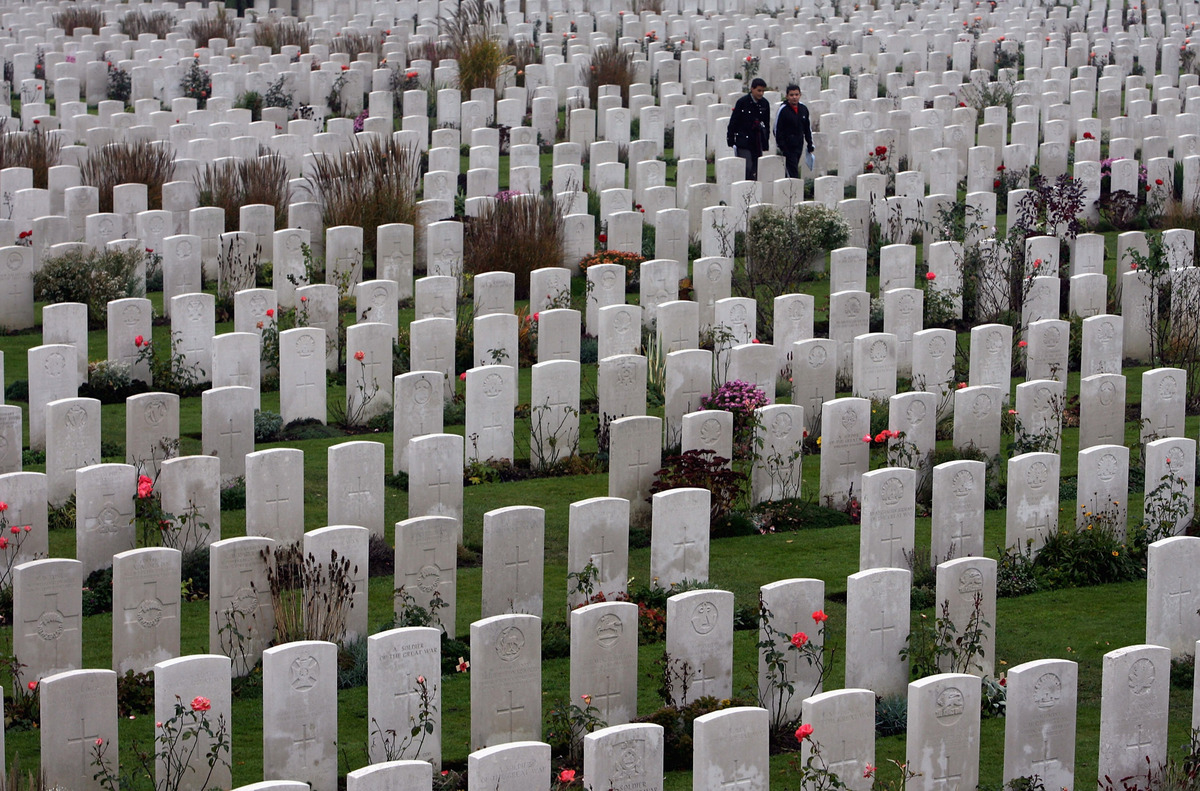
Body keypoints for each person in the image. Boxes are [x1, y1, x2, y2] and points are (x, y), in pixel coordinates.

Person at [727, 77, 771, 181]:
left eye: (763, 91)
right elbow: (734, 121)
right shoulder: (742, 102)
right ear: (752, 89)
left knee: (756, 168)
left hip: (757, 140)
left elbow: (766, 124)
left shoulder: (765, 104)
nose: (761, 93)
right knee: (747, 166)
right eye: (759, 90)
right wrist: (730, 139)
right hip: (744, 140)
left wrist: (765, 142)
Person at [774, 83, 814, 180]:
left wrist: (810, 143)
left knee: (793, 167)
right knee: (792, 171)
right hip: (787, 146)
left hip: (798, 144)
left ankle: (789, 189)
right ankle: (794, 190)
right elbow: (777, 129)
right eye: (791, 95)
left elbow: (807, 128)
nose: (794, 97)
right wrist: (782, 146)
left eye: (796, 95)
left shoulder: (803, 109)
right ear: (787, 96)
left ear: (800, 95)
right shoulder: (783, 110)